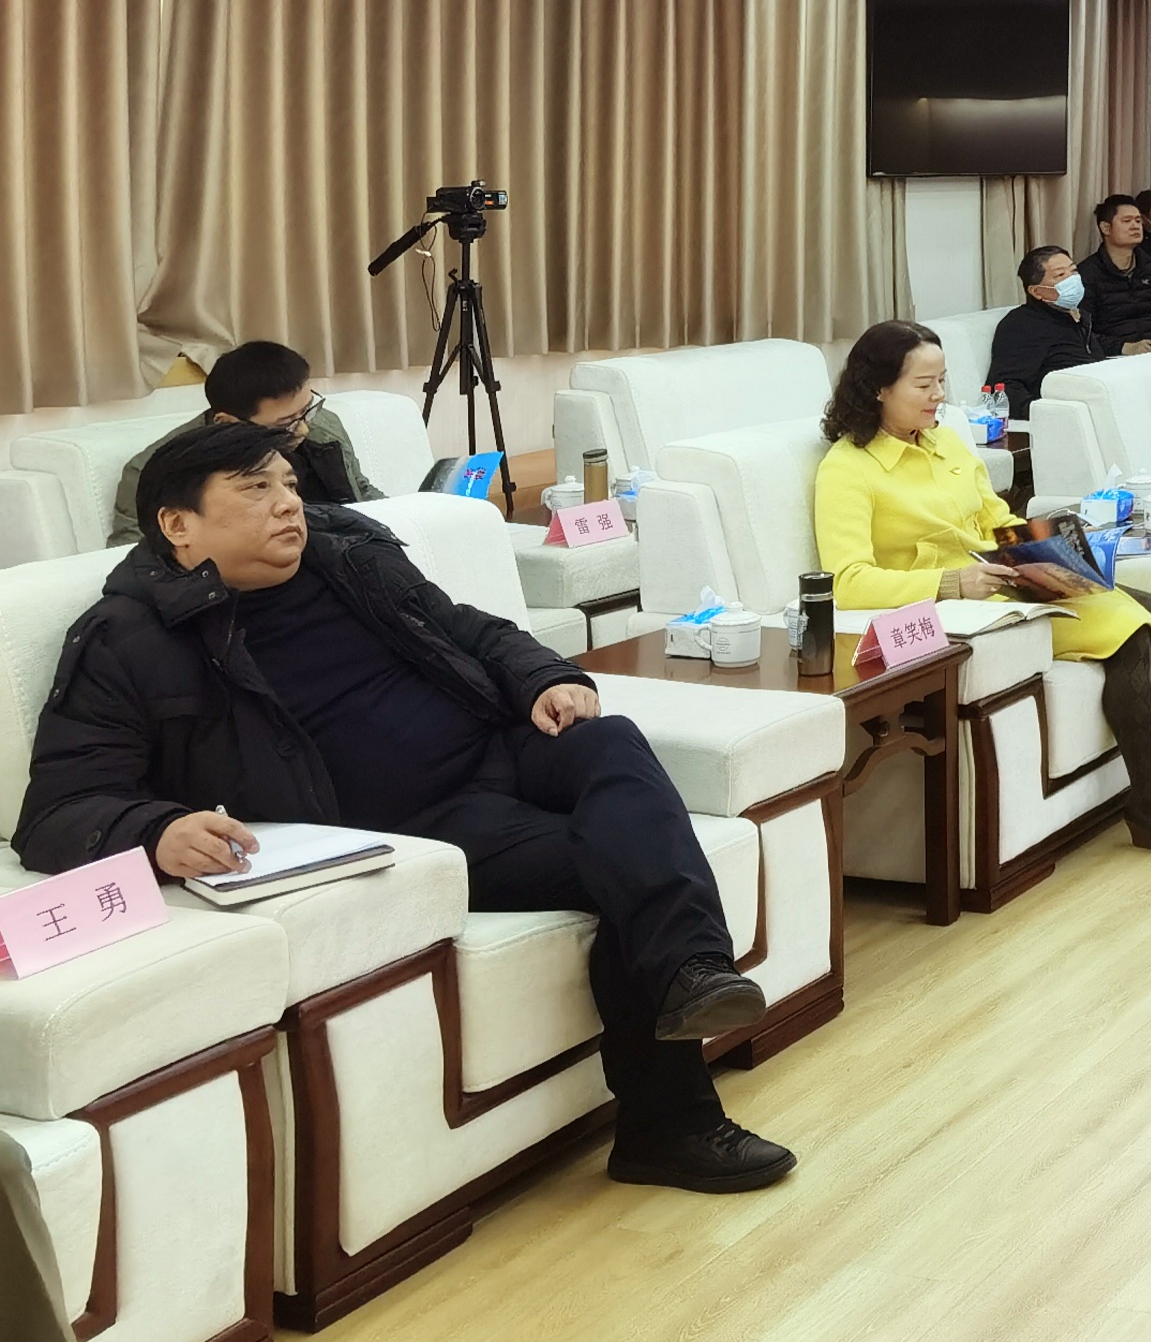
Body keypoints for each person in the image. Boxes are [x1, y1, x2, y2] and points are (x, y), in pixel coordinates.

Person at [19, 420, 796, 1193]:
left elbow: (470, 629)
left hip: (502, 746)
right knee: (631, 858)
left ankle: (695, 970)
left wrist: (546, 676)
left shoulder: (346, 555)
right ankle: (671, 1118)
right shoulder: (127, 639)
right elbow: (60, 807)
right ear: (177, 523)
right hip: (421, 826)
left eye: (288, 482)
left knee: (610, 739)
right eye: (255, 488)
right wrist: (157, 831)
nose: (287, 502)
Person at [811, 321, 1151, 853]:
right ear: (878, 388)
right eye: (924, 385)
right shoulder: (848, 468)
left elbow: (995, 518)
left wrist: (1048, 546)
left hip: (1010, 575)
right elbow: (848, 581)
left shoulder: (946, 442)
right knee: (1133, 629)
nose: (939, 396)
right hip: (955, 604)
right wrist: (951, 582)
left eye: (942, 381)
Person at [110, 340, 383, 545]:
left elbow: (360, 489)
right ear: (228, 422)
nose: (303, 428)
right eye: (285, 424)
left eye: (307, 409)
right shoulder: (157, 471)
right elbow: (132, 554)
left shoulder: (323, 425)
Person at [990, 245, 1114, 418]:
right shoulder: (1022, 324)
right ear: (1036, 291)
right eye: (1060, 275)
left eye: (1073, 271)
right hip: (1063, 413)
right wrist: (1046, 414)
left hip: (1100, 403)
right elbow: (1004, 387)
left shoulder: (1079, 317)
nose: (1073, 279)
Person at [1080, 193, 1151, 353]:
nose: (1135, 226)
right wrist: (1124, 347)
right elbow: (1084, 331)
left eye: (1138, 221)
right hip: (1114, 357)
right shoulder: (1088, 273)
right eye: (1127, 221)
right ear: (1106, 228)